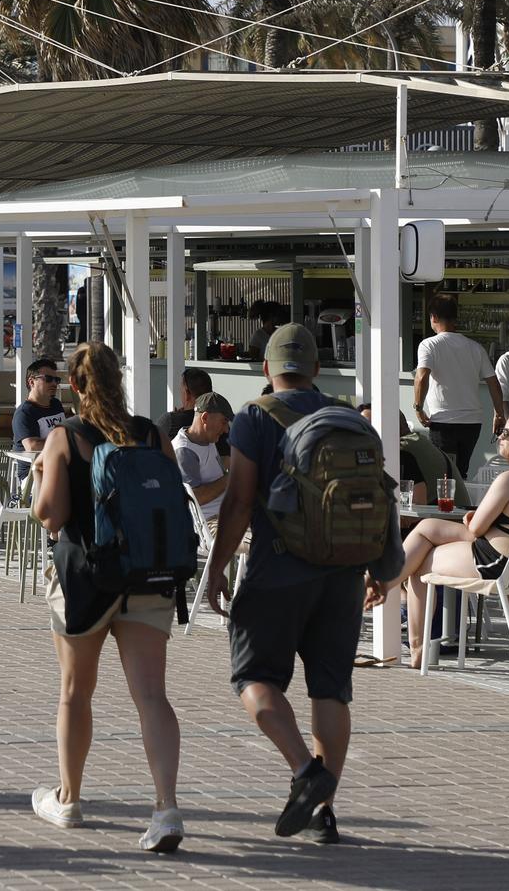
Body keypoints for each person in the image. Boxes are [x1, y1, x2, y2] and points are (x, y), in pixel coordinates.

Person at [205, 321, 404, 847]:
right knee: (330, 690)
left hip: (277, 572)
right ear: (316, 368)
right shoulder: (349, 419)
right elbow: (376, 497)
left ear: (266, 369)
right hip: (343, 577)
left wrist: (216, 567)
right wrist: (380, 566)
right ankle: (325, 813)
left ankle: (304, 770)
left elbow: (239, 501)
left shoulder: (254, 416)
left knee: (253, 676)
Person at [30, 341, 184, 852]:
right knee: (152, 696)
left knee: (76, 692)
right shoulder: (151, 434)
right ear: (119, 380)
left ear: (75, 386)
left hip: (87, 579)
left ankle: (69, 799)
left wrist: (40, 478)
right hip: (148, 576)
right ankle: (166, 808)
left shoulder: (66, 436)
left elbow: (51, 515)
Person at [367, 412, 509, 667]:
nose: (499, 437)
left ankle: (403, 626)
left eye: (505, 433)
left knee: (420, 561)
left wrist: (472, 519)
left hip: (494, 561)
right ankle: (384, 591)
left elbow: (478, 528)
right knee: (425, 533)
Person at [412, 294, 504, 476]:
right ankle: (461, 494)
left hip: (443, 420)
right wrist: (499, 414)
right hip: (472, 422)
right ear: (455, 318)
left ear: (433, 317)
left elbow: (421, 377)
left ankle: (451, 495)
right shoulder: (475, 347)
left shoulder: (429, 345)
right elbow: (493, 383)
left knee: (443, 475)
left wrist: (418, 408)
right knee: (460, 473)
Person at [171, 392, 233, 544]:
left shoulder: (206, 439)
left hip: (227, 513)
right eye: (224, 422)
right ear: (205, 418)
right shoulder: (184, 450)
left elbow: (213, 470)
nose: (226, 430)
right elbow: (196, 498)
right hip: (207, 523)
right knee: (261, 540)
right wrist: (231, 477)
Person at [13, 356, 67, 453]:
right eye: (48, 379)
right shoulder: (24, 413)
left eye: (57, 380)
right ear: (32, 382)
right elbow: (33, 446)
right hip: (34, 462)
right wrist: (67, 442)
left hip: (57, 459)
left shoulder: (56, 404)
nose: (54, 383)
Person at [158, 367, 219, 446]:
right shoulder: (220, 422)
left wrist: (176, 416)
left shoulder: (170, 421)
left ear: (186, 393)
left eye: (181, 389)